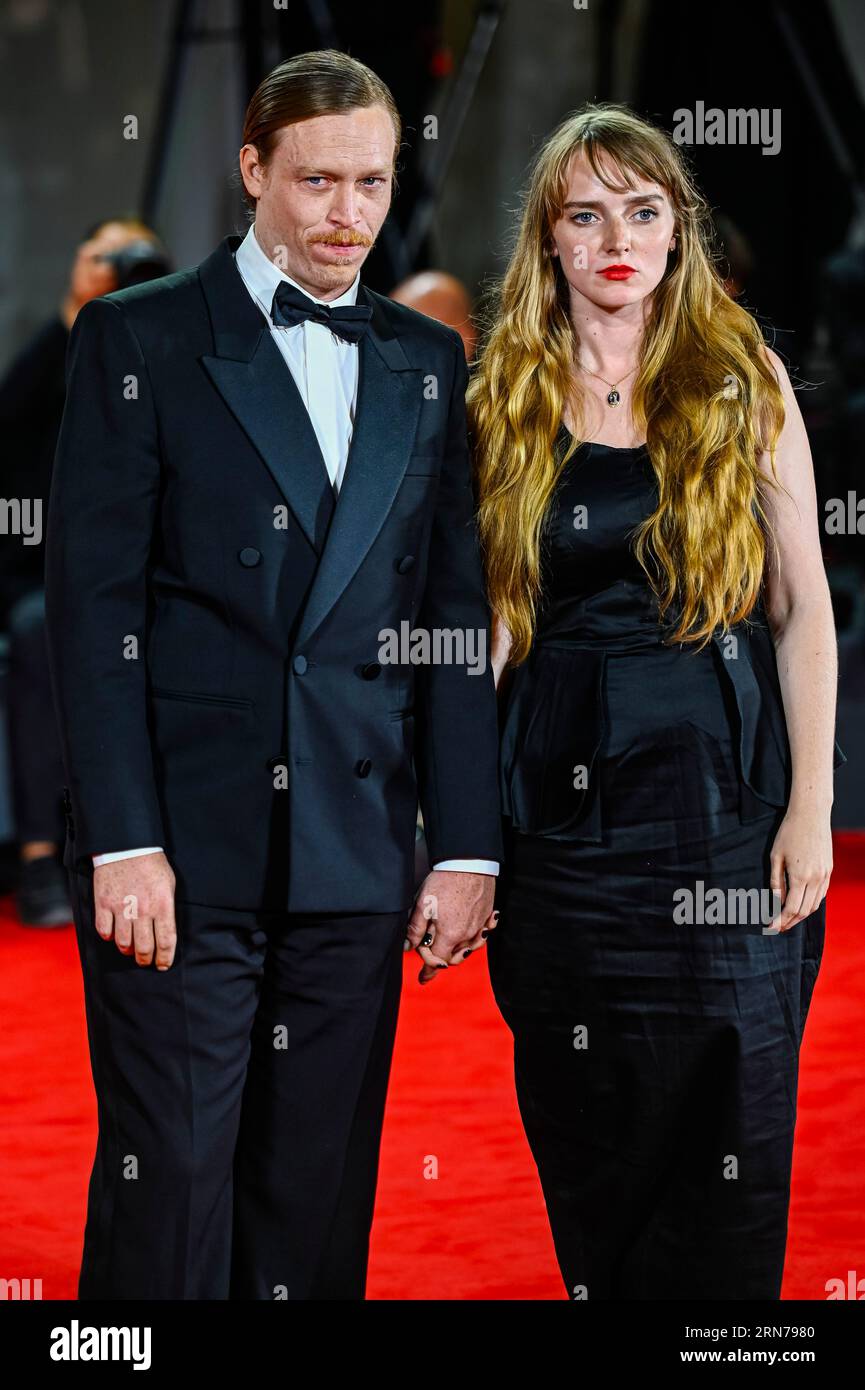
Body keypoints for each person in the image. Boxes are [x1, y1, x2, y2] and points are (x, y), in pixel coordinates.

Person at [44, 49, 501, 1301]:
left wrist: (467, 846)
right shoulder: (137, 337)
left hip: (356, 854)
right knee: (170, 1181)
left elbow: (450, 617)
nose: (349, 214)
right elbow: (92, 615)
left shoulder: (423, 357)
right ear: (253, 172)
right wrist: (122, 840)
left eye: (370, 182)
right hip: (181, 853)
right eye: (317, 183)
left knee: (315, 1196)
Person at [469, 102, 846, 1301]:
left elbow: (801, 611)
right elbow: (483, 640)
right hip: (561, 832)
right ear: (550, 241)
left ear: (677, 233)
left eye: (642, 211)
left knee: (733, 1129)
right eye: (586, 214)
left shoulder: (740, 377)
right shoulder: (501, 399)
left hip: (724, 802)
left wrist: (810, 812)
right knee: (591, 1134)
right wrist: (457, 841)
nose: (616, 236)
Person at [0, 217, 164, 926]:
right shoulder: (56, 356)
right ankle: (39, 854)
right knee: (42, 629)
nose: (118, 269)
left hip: (152, 573)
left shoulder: (166, 339)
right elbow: (9, 431)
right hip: (44, 575)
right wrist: (77, 314)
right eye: (104, 255)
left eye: (133, 259)